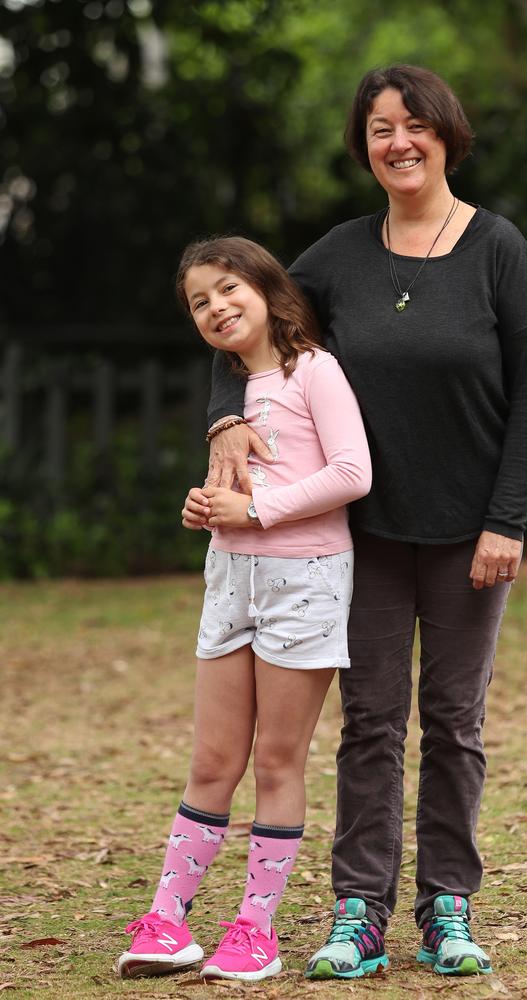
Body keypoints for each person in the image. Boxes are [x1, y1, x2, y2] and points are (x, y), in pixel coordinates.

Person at [196, 65, 527, 979]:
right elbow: (243, 329)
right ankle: (359, 908)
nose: (397, 142)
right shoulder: (337, 258)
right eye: (379, 130)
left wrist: (506, 520)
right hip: (362, 536)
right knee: (371, 724)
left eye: (413, 125)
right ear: (364, 148)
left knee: (453, 721)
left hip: (472, 531)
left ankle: (448, 907)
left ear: (446, 133)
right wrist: (225, 416)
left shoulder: (498, 249)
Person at [117, 236, 371, 982]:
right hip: (230, 583)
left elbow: (352, 471)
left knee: (275, 759)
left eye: (228, 288)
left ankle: (255, 931)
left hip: (307, 584)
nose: (216, 307)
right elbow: (239, 490)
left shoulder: (314, 371)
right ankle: (167, 922)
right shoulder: (225, 396)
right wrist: (209, 507)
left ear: (265, 288)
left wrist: (255, 509)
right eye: (199, 301)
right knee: (212, 760)